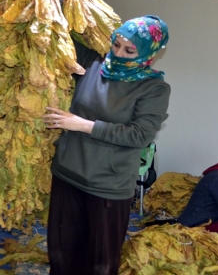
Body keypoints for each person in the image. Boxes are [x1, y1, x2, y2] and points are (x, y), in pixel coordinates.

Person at [42, 15, 171, 275]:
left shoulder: (153, 88)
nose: (118, 54)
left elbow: (139, 135)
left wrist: (82, 124)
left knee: (99, 261)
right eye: (116, 45)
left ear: (150, 54)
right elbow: (56, 29)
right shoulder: (92, 63)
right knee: (62, 254)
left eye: (129, 50)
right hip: (67, 173)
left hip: (107, 186)